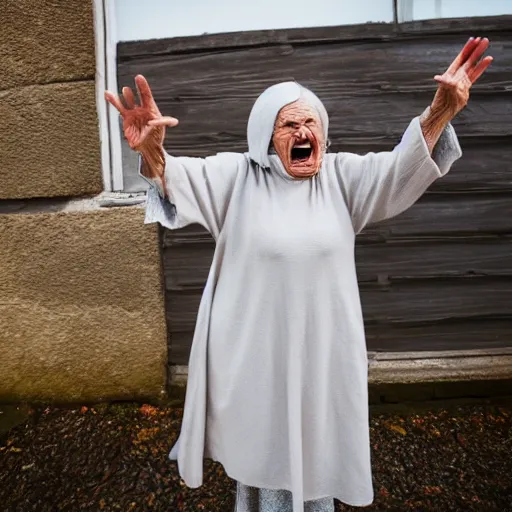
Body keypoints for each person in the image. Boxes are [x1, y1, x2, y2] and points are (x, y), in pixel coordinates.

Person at [106, 37, 492, 512]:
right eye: (290, 123)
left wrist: (440, 112)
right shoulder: (237, 178)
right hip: (255, 362)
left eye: (312, 122)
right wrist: (153, 155)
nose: (303, 129)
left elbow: (399, 170)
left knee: (316, 453)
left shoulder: (343, 178)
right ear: (268, 137)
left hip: (321, 360)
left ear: (324, 135)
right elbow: (175, 179)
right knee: (263, 459)